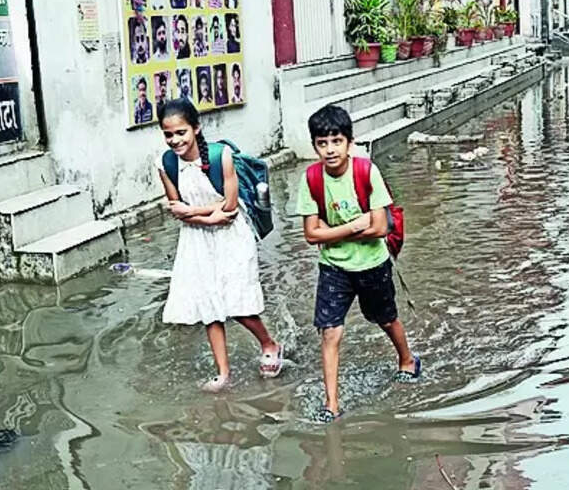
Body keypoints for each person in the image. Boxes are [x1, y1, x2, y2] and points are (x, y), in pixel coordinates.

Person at [294, 105, 419, 423]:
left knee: (386, 319)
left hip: (373, 264)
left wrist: (331, 232)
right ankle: (332, 405)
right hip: (333, 268)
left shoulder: (366, 171)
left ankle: (407, 359)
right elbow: (310, 234)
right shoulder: (312, 179)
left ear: (349, 142)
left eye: (337, 141)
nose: (330, 149)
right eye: (322, 143)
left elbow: (380, 227)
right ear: (315, 146)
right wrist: (354, 225)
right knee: (330, 332)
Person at [155, 99, 284, 392]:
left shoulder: (220, 156)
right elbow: (177, 208)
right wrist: (208, 217)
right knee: (208, 305)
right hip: (196, 239)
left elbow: (230, 207)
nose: (175, 140)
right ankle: (223, 372)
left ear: (196, 128)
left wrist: (195, 212)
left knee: (236, 302)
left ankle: (269, 344)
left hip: (232, 238)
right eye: (168, 134)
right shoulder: (166, 163)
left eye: (181, 132)